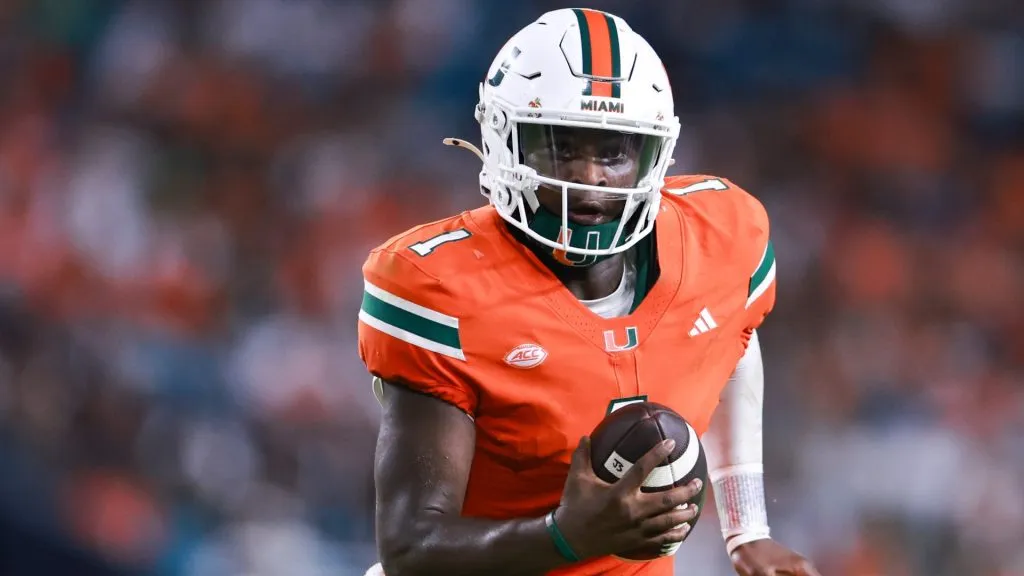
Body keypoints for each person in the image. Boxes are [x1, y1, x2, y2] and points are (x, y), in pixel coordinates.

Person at [358, 8, 821, 576]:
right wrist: (565, 536)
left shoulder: (720, 236)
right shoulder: (439, 285)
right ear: (505, 141)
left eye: (612, 152)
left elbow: (732, 337)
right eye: (562, 148)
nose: (590, 176)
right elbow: (410, 547)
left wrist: (747, 528)